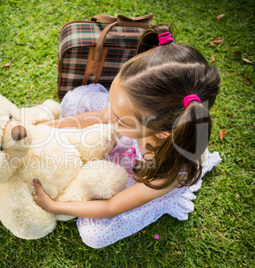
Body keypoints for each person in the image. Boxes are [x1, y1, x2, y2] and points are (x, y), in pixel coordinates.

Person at [32, 24, 222, 248]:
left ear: (161, 133)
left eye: (120, 119)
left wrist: (55, 206)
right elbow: (103, 115)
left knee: (94, 235)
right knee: (75, 100)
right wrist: (53, 126)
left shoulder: (168, 174)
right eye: (112, 100)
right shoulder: (137, 113)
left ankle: (160, 206)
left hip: (149, 175)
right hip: (140, 136)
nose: (109, 114)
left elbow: (112, 207)